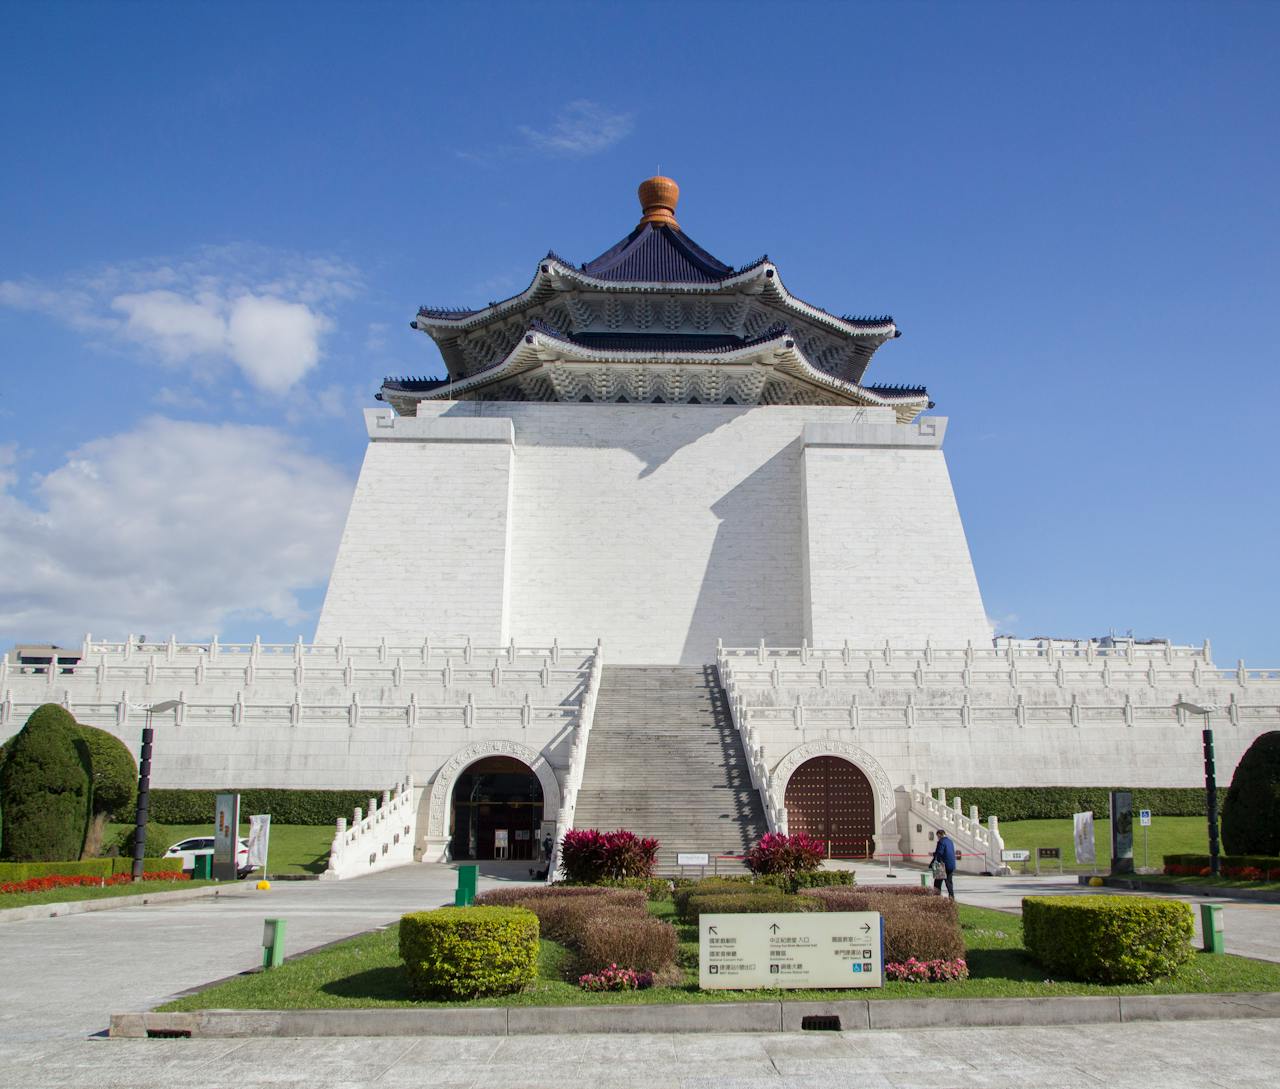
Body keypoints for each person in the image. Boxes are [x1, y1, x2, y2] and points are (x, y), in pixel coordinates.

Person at [932, 829, 956, 898]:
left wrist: (934, 855)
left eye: (938, 836)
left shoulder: (941, 841)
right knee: (949, 883)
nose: (938, 838)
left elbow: (939, 853)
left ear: (940, 835)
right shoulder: (950, 841)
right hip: (951, 864)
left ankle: (937, 898)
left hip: (942, 865)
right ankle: (951, 897)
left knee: (937, 883)